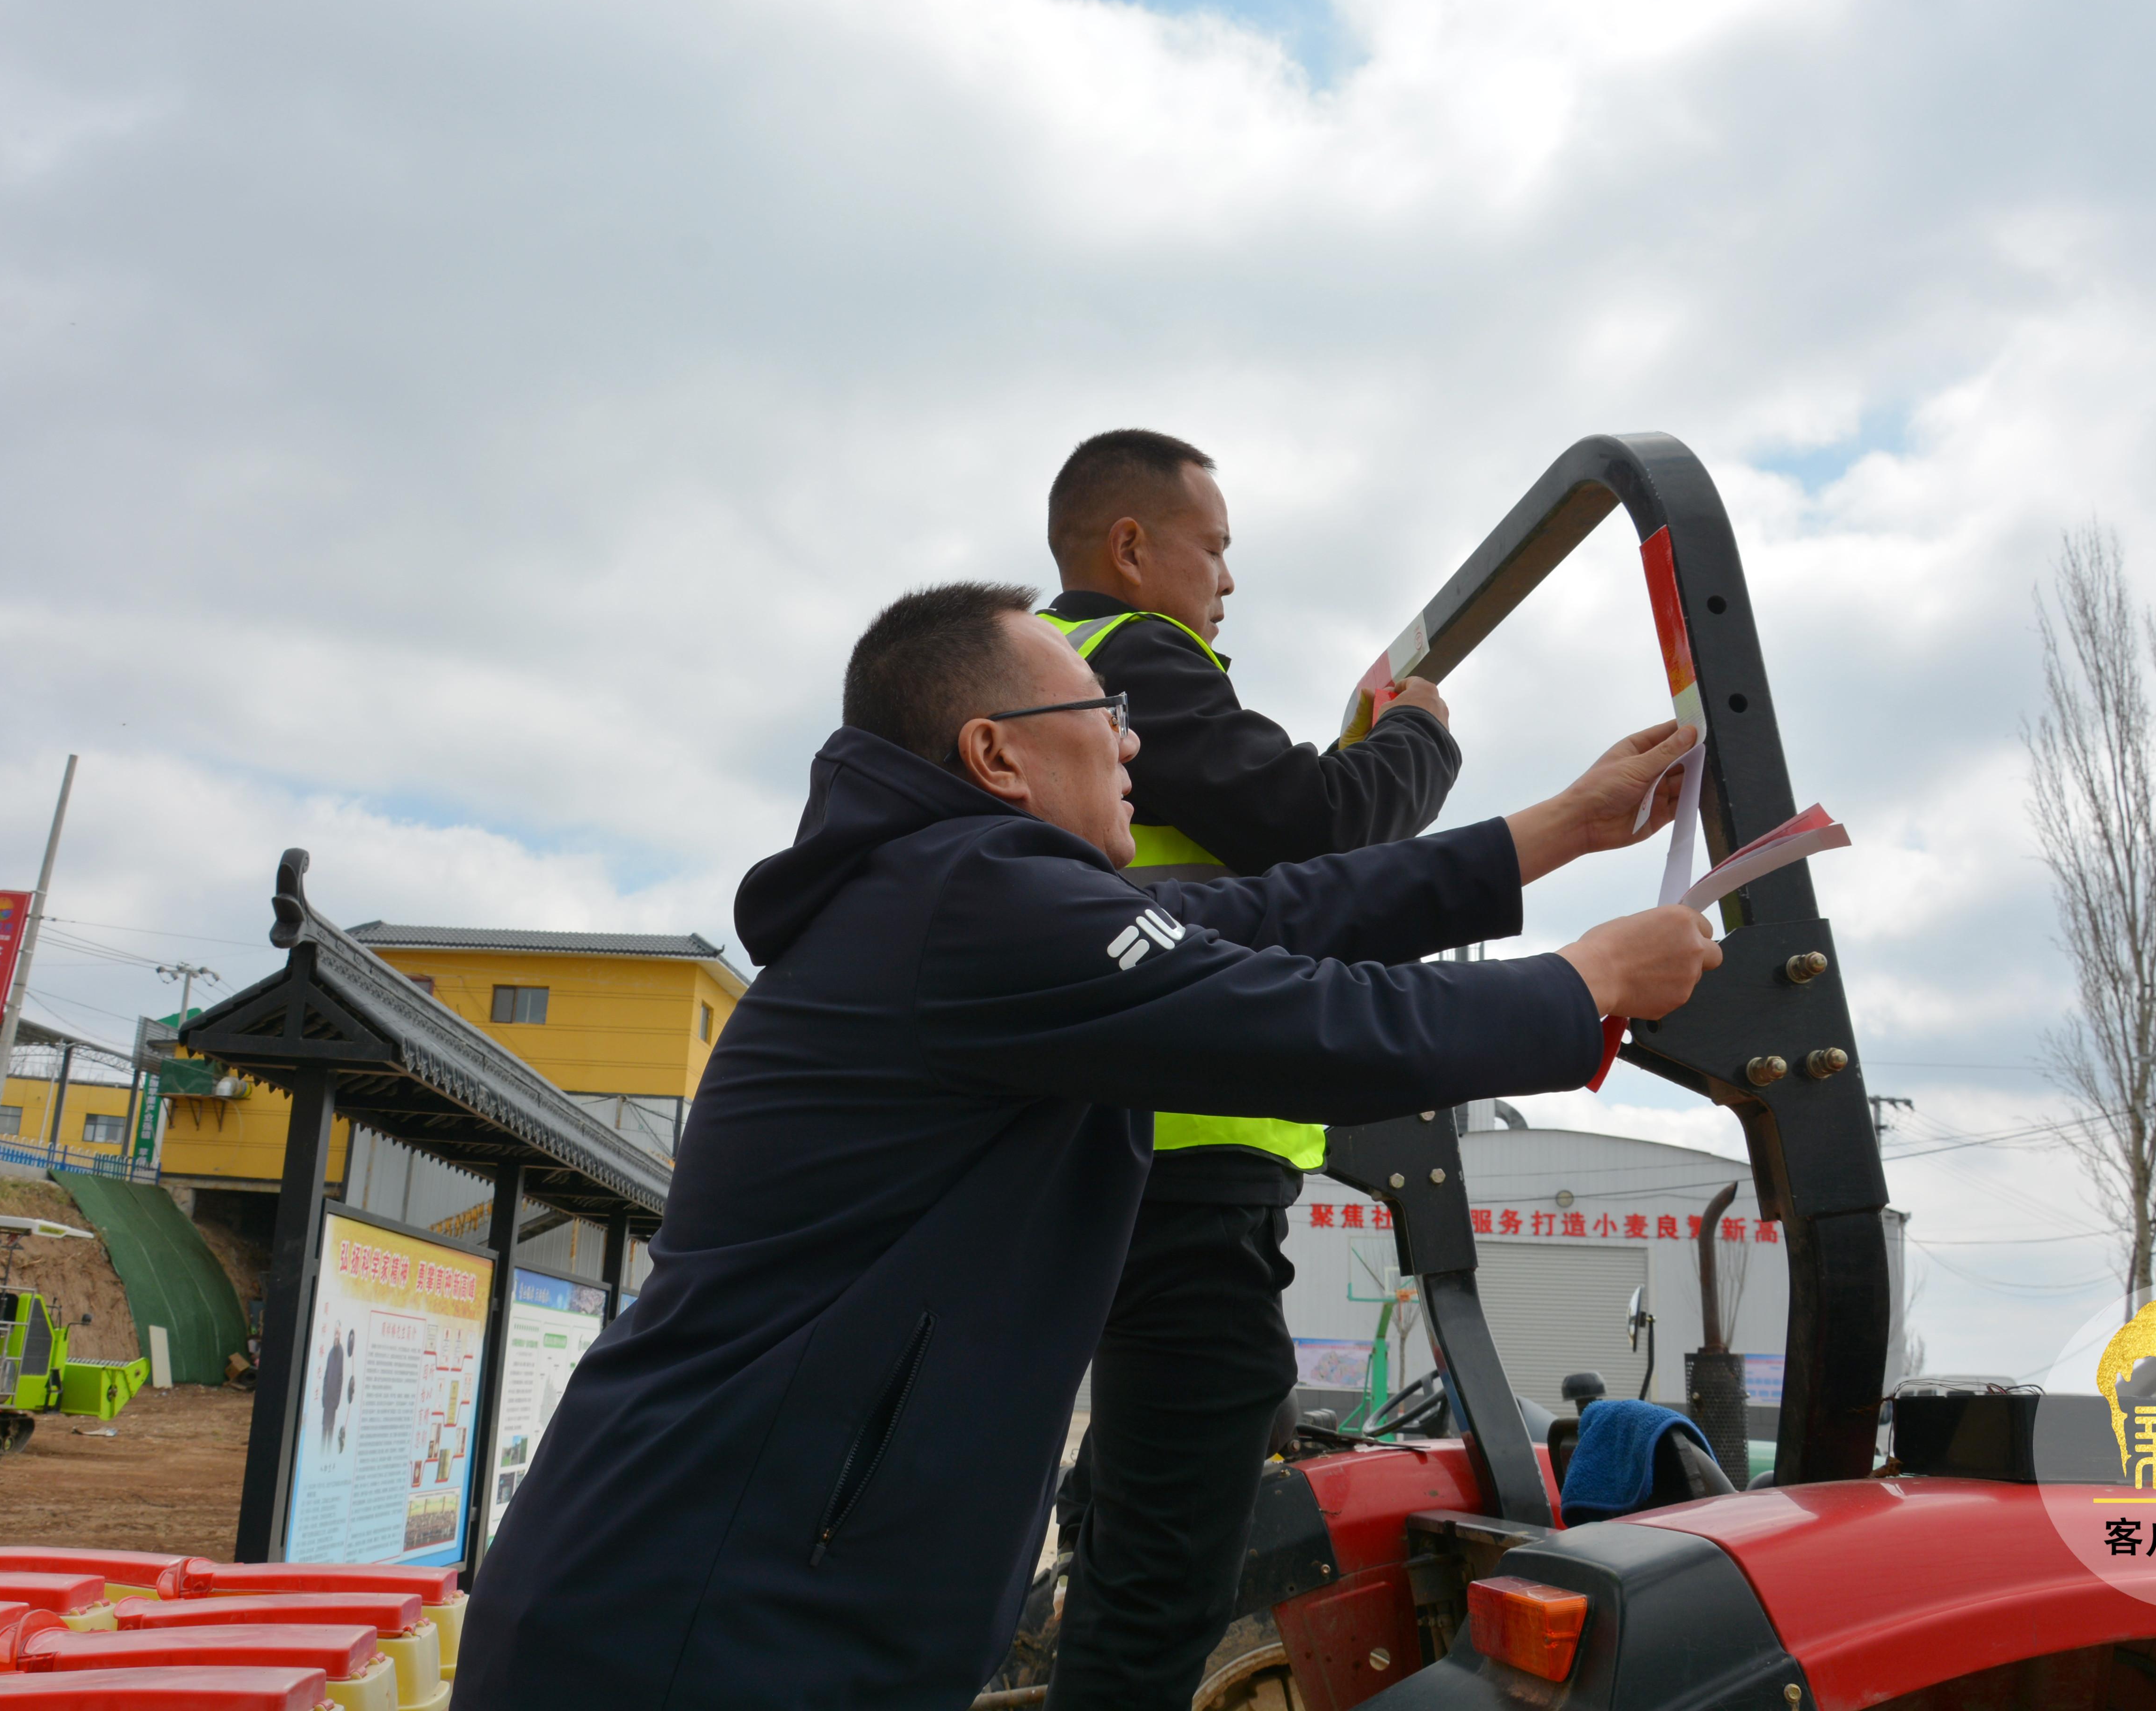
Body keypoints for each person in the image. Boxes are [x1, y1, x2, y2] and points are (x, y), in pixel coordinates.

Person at [455, 583, 1717, 1711]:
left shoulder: (956, 898)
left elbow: (1279, 910)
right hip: (711, 1619)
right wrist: (1585, 980)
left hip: (719, 1586)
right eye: (1104, 711)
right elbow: (1306, 1019)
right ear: (995, 753)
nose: (1132, 741)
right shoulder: (972, 898)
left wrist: (1562, 826)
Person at [1033, 428, 1459, 1709]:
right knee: (1176, 1550)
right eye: (1213, 549)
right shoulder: (1132, 661)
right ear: (1130, 547)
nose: (1228, 581)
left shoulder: (1047, 671)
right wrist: (1419, 739)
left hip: (1106, 1143)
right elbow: (1316, 826)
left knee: (1143, 1484)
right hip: (1184, 1150)